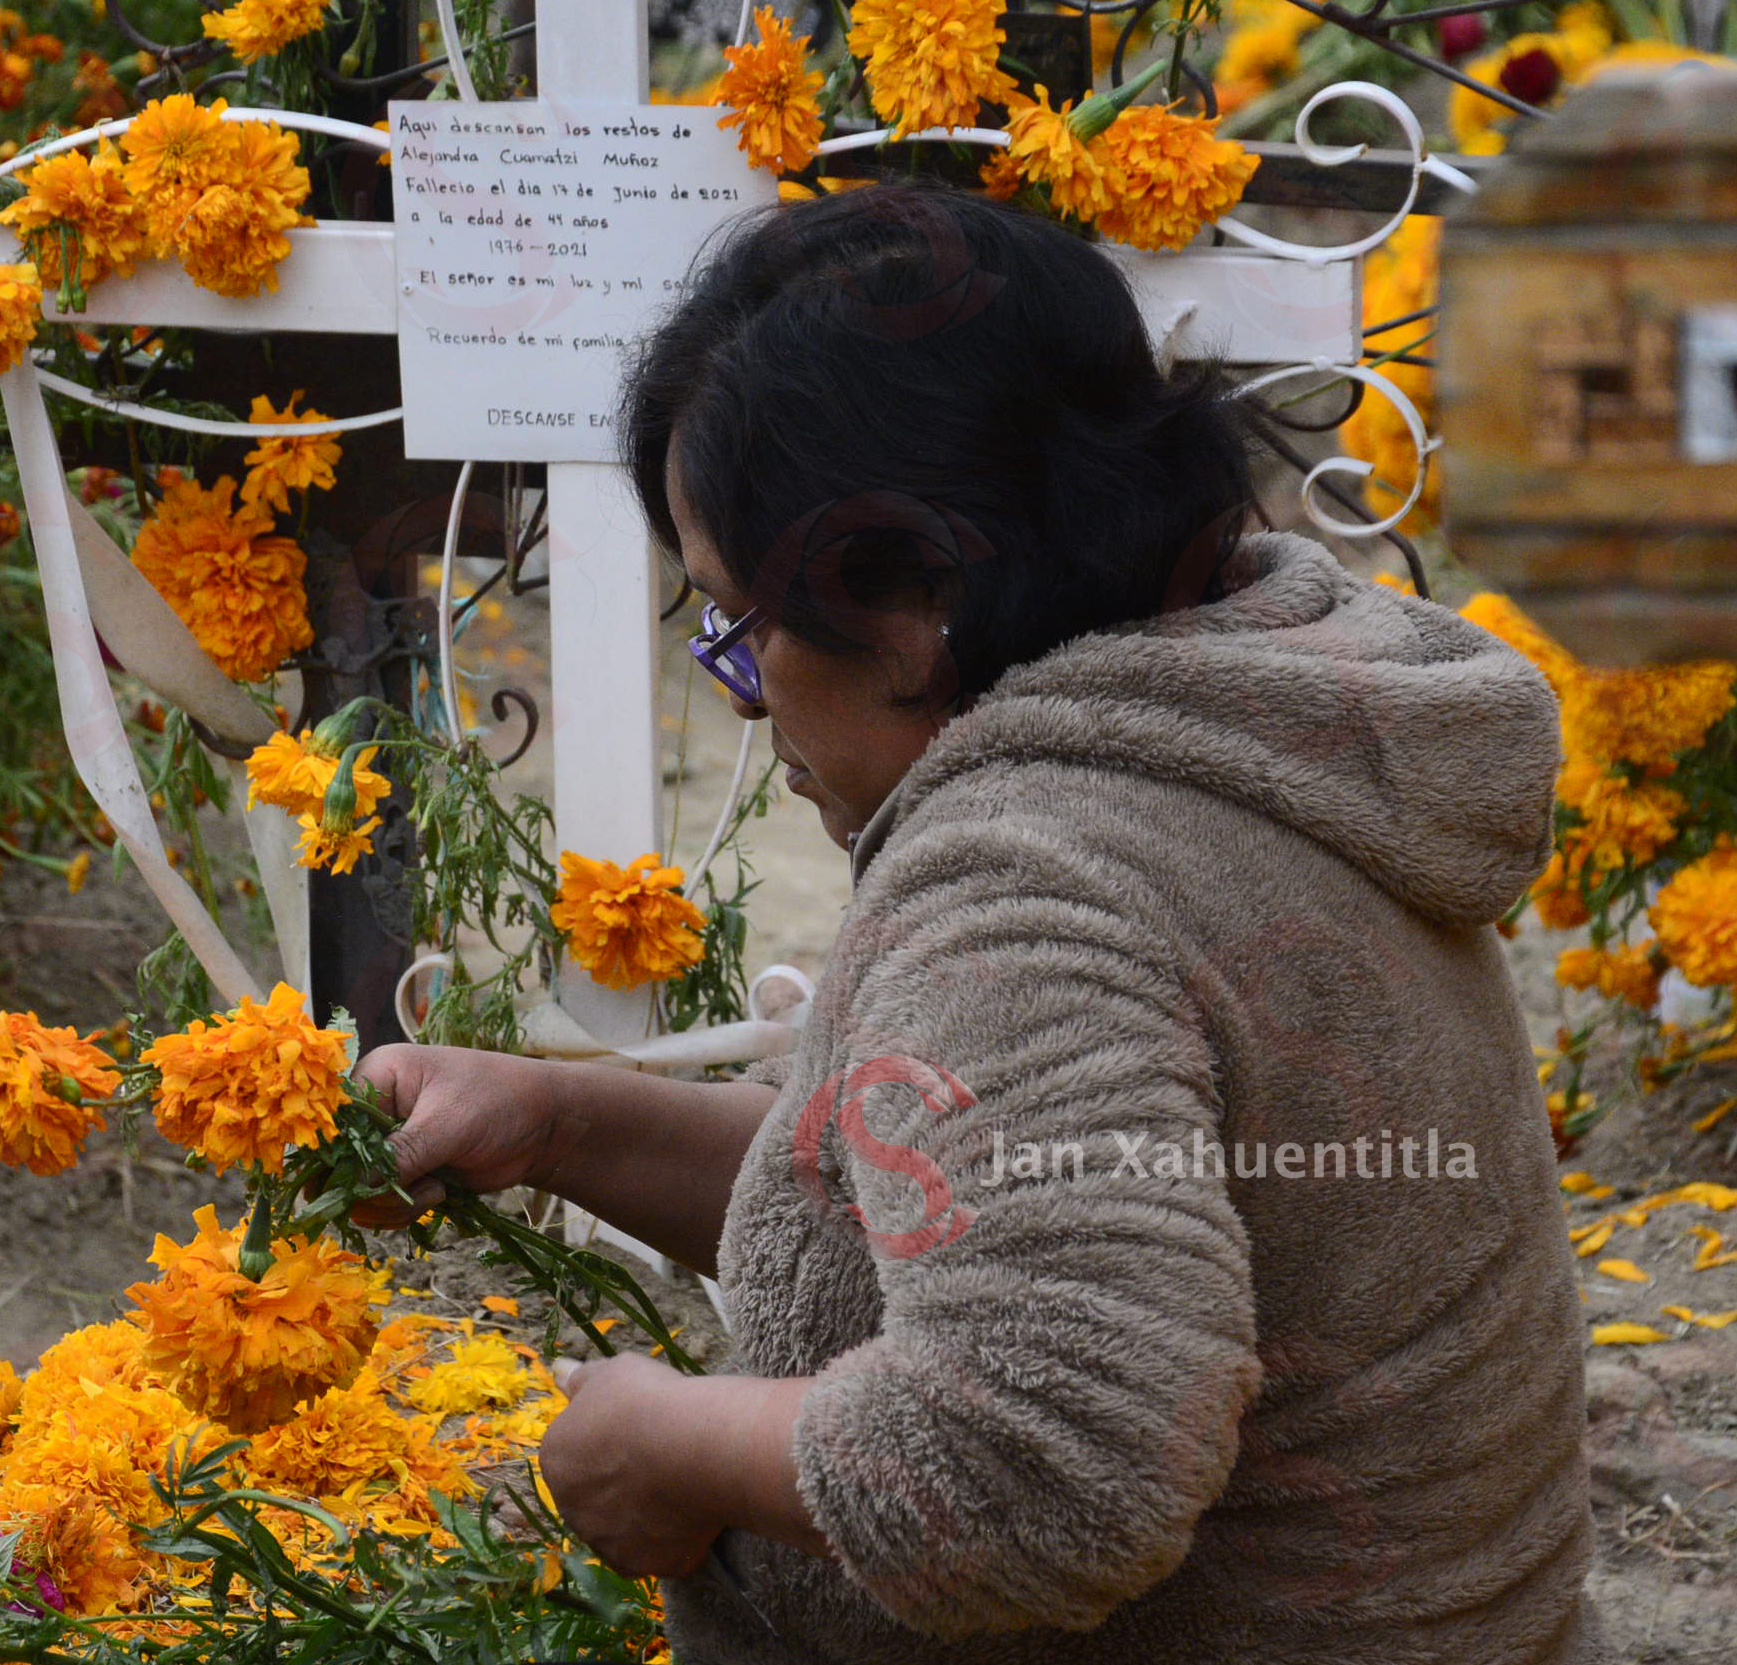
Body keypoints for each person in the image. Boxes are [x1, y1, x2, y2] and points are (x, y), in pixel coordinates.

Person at [351, 183, 1599, 1664]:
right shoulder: (1251, 741)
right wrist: (558, 1124)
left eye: (738, 631)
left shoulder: (1026, 889)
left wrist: (671, 1445)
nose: (737, 699)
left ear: (920, 595)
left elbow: (1045, 1463)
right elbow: (982, 1188)